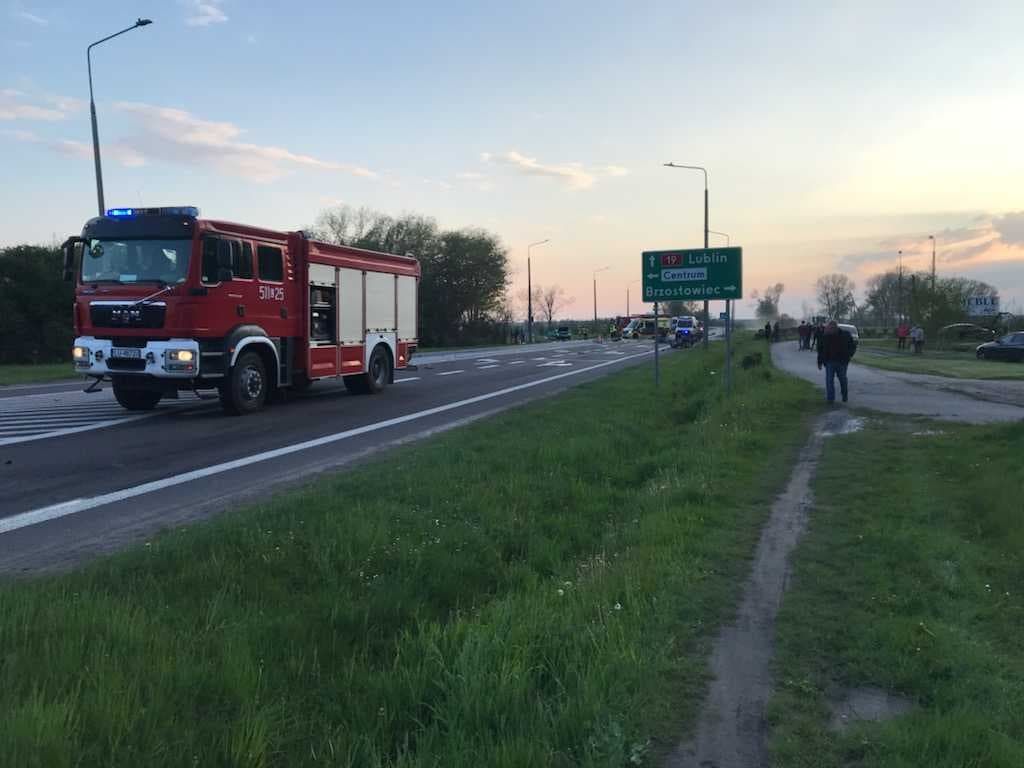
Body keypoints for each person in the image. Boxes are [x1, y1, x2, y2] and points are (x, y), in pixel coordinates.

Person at [817, 320, 857, 403]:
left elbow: (852, 346)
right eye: (829, 328)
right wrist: (820, 362)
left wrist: (849, 355)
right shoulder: (825, 336)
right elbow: (820, 350)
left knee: (842, 379)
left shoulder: (845, 335)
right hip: (829, 361)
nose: (830, 330)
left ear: (836, 328)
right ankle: (830, 399)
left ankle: (844, 394)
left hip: (842, 361)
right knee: (829, 380)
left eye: (832, 328)